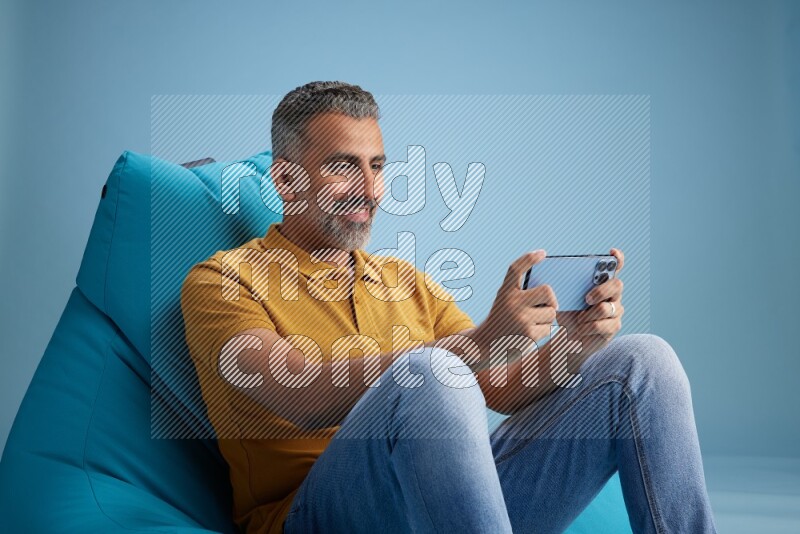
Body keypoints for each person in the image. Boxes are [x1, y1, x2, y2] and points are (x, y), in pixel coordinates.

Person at [180, 81, 717, 533]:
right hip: (315, 515)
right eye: (345, 168)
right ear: (285, 180)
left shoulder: (404, 280)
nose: (370, 191)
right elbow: (297, 394)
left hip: (447, 504)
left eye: (377, 167)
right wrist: (472, 346)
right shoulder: (222, 281)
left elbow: (497, 386)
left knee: (642, 361)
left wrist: (573, 346)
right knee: (431, 369)